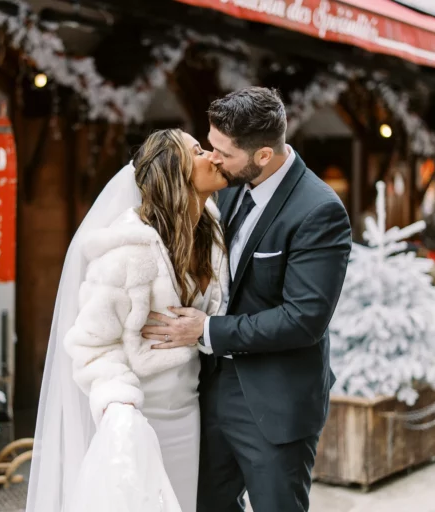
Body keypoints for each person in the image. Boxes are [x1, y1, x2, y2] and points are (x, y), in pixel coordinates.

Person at [142, 87, 353, 511]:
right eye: (209, 145)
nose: (212, 158)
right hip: (211, 391)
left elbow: (303, 319)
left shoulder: (319, 211)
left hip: (276, 402)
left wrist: (206, 330)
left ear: (262, 156)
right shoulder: (230, 186)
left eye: (224, 152)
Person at [25, 128, 230, 512]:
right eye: (199, 151)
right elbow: (90, 344)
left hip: (190, 412)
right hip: (141, 418)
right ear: (175, 172)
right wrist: (121, 406)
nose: (213, 157)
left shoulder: (212, 237)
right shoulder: (128, 253)